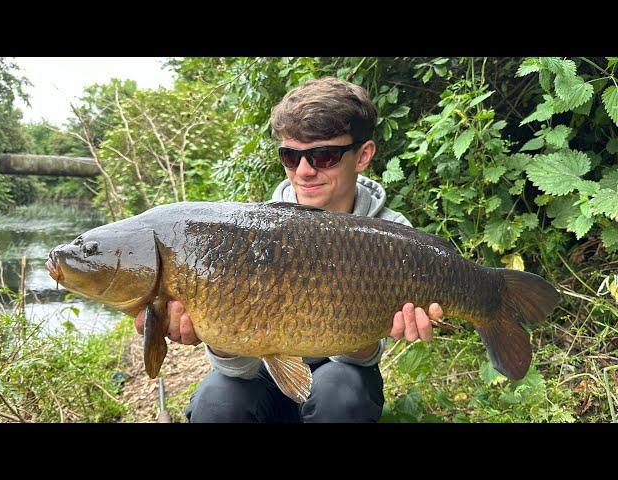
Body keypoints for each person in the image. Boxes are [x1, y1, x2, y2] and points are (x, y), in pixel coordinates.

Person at [134, 76, 443, 422]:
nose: (304, 171)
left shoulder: (395, 237)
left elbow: (363, 358)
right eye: (290, 157)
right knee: (217, 400)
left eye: (324, 156)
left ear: (363, 155)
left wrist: (374, 330)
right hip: (262, 369)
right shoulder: (253, 232)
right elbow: (238, 369)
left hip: (341, 371)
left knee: (340, 394)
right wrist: (218, 337)